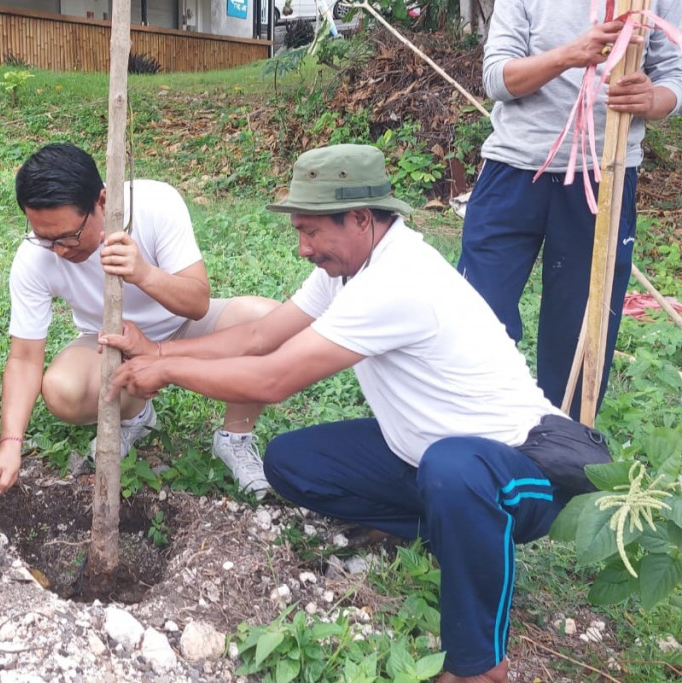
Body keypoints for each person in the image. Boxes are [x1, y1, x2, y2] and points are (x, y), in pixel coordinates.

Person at [103, 144, 610, 682]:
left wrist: (168, 373)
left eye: (312, 231)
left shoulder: (397, 282)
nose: (303, 248)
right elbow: (259, 337)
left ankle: (479, 666)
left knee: (455, 472)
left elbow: (273, 379)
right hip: (431, 454)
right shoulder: (348, 269)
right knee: (293, 462)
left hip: (520, 466)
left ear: (362, 219)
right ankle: (452, 531)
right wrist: (158, 352)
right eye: (299, 231)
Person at [0, 143, 279, 499]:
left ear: (102, 201)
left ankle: (235, 439)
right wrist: (11, 443)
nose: (58, 250)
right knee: (62, 390)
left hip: (182, 329)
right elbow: (25, 358)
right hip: (109, 343)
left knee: (269, 322)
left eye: (69, 236)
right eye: (45, 238)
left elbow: (197, 302)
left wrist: (143, 274)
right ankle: (135, 415)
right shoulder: (34, 257)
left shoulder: (156, 205)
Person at [458, 0, 682, 419]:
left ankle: (564, 452)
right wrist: (570, 55)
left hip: (606, 172)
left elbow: (675, 79)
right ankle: (473, 431)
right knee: (477, 314)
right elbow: (497, 79)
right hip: (515, 167)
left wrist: (652, 99)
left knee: (581, 330)